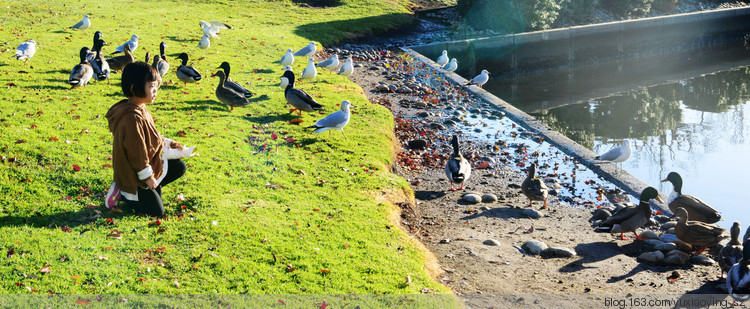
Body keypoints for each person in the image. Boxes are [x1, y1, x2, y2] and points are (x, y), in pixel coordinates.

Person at [104, 61, 186, 216]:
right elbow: (137, 152)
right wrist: (147, 177)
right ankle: (125, 192)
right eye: (150, 87)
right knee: (156, 212)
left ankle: (149, 190)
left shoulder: (140, 108)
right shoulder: (131, 118)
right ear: (135, 88)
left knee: (178, 166)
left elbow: (153, 136)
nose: (155, 91)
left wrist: (171, 144)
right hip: (134, 174)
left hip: (142, 167)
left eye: (156, 86)